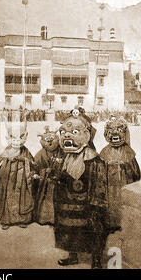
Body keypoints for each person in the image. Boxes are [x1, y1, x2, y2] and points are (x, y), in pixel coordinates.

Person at [54, 108, 109, 269]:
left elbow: (99, 184)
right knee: (69, 228)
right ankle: (73, 255)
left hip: (88, 204)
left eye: (74, 132)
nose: (67, 136)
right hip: (68, 202)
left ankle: (96, 260)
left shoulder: (94, 160)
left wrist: (96, 204)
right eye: (64, 132)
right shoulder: (66, 157)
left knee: (93, 230)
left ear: (86, 135)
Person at [100, 116, 141, 235]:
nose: (114, 135)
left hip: (124, 184)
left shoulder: (128, 151)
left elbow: (135, 172)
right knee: (111, 204)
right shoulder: (104, 152)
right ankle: (111, 224)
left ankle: (125, 223)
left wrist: (125, 168)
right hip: (109, 187)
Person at [0, 122, 38, 230]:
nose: (16, 142)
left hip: (22, 178)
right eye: (13, 139)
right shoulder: (7, 150)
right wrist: (7, 159)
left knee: (22, 197)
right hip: (8, 179)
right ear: (8, 138)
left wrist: (24, 160)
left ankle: (22, 219)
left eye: (19, 139)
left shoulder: (25, 151)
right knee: (8, 197)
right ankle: (6, 220)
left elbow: (33, 163)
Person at [33, 126, 64, 226]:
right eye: (47, 141)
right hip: (45, 183)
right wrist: (42, 173)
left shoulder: (62, 152)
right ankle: (45, 218)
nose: (50, 143)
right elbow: (34, 167)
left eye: (52, 140)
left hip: (59, 182)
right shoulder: (40, 154)